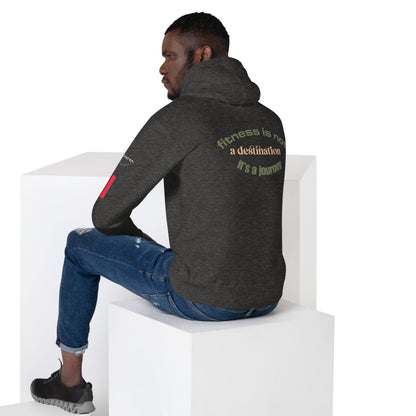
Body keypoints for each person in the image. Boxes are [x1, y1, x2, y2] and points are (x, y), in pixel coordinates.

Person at [30, 11, 287, 414]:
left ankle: (70, 384)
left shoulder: (180, 118)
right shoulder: (270, 120)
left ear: (202, 55)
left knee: (78, 245)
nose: (162, 68)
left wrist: (143, 243)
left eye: (170, 55)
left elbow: (105, 214)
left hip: (204, 298)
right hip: (267, 294)